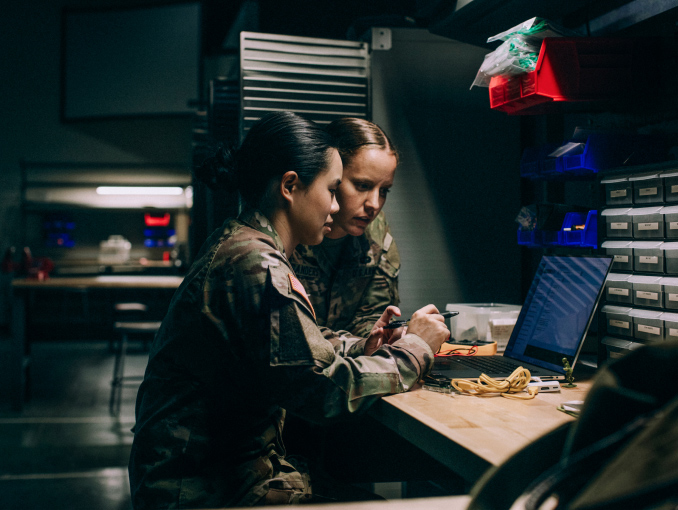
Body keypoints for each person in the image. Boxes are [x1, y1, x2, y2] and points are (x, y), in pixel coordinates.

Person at [128, 111, 450, 509]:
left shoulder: (244, 243)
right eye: (334, 189)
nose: (336, 207)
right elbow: (323, 389)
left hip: (215, 476)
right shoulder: (257, 265)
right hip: (204, 489)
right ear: (291, 186)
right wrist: (415, 349)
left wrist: (361, 346)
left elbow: (296, 344)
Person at [290, 118, 400, 339]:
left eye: (384, 190)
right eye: (363, 186)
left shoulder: (377, 235)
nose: (374, 204)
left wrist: (381, 334)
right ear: (333, 177)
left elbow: (370, 317)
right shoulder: (290, 228)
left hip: (346, 364)